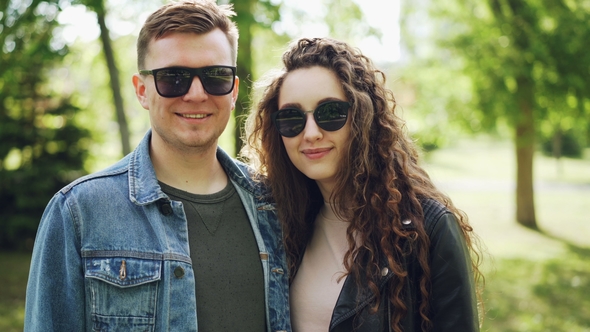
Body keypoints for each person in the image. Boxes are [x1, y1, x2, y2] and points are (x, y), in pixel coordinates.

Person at [24, 1, 291, 331]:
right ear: (142, 91)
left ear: (234, 91)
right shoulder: (78, 213)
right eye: (173, 78)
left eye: (216, 76)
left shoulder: (275, 204)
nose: (195, 94)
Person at [243, 37, 483, 332]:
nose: (311, 133)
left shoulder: (426, 228)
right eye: (292, 118)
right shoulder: (279, 223)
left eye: (330, 113)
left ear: (361, 117)